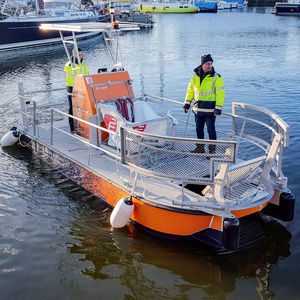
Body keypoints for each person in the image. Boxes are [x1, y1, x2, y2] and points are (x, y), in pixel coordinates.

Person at [183, 54, 225, 154]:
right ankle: (200, 149)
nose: (209, 66)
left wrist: (218, 109)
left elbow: (220, 94)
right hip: (197, 110)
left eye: (211, 64)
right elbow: (190, 91)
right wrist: (187, 104)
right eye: (207, 64)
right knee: (199, 130)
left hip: (210, 111)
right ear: (202, 64)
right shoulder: (195, 76)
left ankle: (211, 152)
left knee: (211, 132)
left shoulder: (216, 77)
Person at [64, 47, 89, 132]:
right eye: (79, 55)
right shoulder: (69, 65)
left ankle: (81, 127)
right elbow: (71, 79)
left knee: (82, 108)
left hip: (82, 88)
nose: (81, 56)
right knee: (72, 108)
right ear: (74, 55)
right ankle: (73, 128)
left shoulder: (83, 64)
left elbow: (87, 75)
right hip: (72, 89)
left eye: (81, 54)